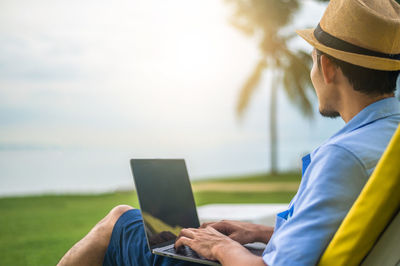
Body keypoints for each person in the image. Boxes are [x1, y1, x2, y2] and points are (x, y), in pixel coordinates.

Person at [58, 0, 400, 265]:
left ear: (325, 67)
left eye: (313, 59)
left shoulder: (343, 158)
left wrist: (221, 246)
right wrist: (258, 232)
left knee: (119, 220)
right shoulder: (389, 140)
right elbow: (330, 228)